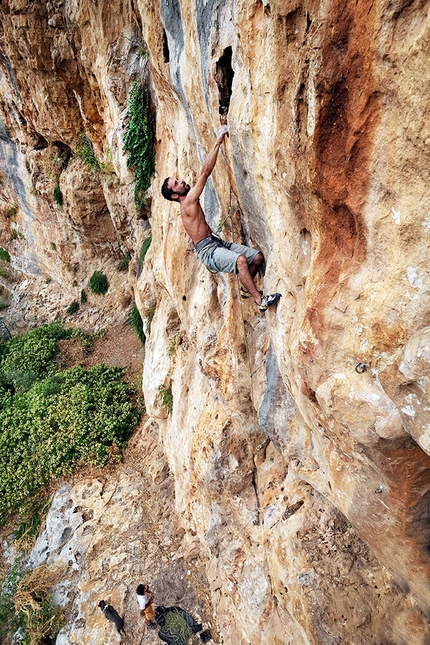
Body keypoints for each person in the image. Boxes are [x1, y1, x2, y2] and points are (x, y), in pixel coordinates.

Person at [161, 124, 281, 311]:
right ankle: (260, 301)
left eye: (178, 179)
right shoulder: (188, 202)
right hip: (208, 252)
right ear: (175, 195)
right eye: (176, 183)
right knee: (241, 260)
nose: (181, 181)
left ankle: (245, 287)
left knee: (257, 258)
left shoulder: (188, 200)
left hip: (216, 243)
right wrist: (218, 140)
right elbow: (205, 173)